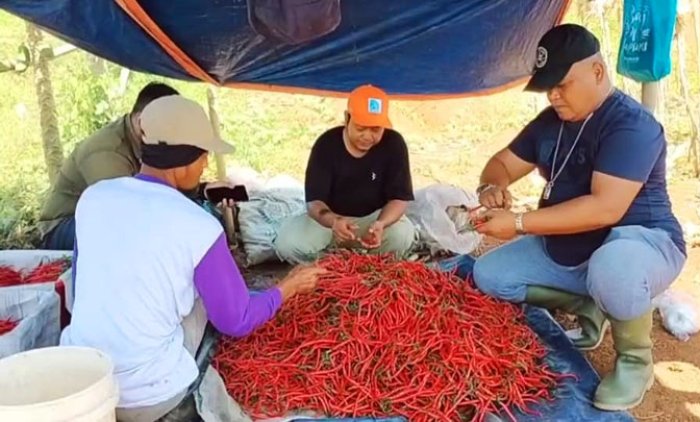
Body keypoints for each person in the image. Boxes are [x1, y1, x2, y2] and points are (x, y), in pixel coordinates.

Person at [60, 94, 327, 422]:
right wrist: (288, 287)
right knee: (206, 298)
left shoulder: (94, 197)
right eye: (202, 159)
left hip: (82, 385)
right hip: (149, 396)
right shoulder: (198, 225)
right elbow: (236, 320)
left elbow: (81, 277)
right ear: (185, 162)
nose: (204, 168)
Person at [471, 24, 686, 411]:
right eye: (547, 86)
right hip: (569, 245)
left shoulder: (631, 125)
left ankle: (636, 361)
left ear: (598, 72)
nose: (553, 95)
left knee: (613, 267)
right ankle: (592, 306)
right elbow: (501, 163)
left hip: (641, 243)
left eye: (562, 84)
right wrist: (492, 188)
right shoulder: (551, 122)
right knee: (490, 276)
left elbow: (606, 208)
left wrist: (518, 223)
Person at [38, 82, 228, 251]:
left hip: (109, 217)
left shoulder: (153, 143)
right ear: (140, 121)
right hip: (63, 227)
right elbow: (126, 213)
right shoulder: (106, 151)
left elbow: (163, 189)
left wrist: (203, 191)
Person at [274, 84, 416, 264]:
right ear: (347, 118)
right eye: (360, 128)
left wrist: (381, 224)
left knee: (402, 236)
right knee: (288, 244)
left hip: (372, 221)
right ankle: (333, 267)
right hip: (330, 222)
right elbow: (314, 204)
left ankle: (367, 265)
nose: (367, 136)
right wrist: (335, 222)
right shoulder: (326, 144)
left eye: (375, 130)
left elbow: (399, 199)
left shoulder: (394, 143)